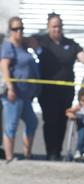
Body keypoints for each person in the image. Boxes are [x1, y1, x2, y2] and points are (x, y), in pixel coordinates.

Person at [35, 13, 84, 161]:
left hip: (66, 91)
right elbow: (25, 42)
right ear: (48, 27)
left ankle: (58, 151)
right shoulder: (42, 41)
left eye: (59, 26)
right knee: (50, 120)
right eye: (54, 26)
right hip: (48, 91)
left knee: (63, 120)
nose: (57, 29)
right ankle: (51, 152)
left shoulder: (71, 44)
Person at [1, 17, 39, 163]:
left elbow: (36, 42)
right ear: (10, 31)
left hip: (24, 94)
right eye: (16, 29)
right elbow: (4, 66)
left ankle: (27, 154)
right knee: (11, 124)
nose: (19, 32)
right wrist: (10, 87)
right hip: (13, 93)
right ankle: (9, 157)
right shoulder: (8, 46)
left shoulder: (23, 46)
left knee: (32, 122)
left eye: (21, 28)